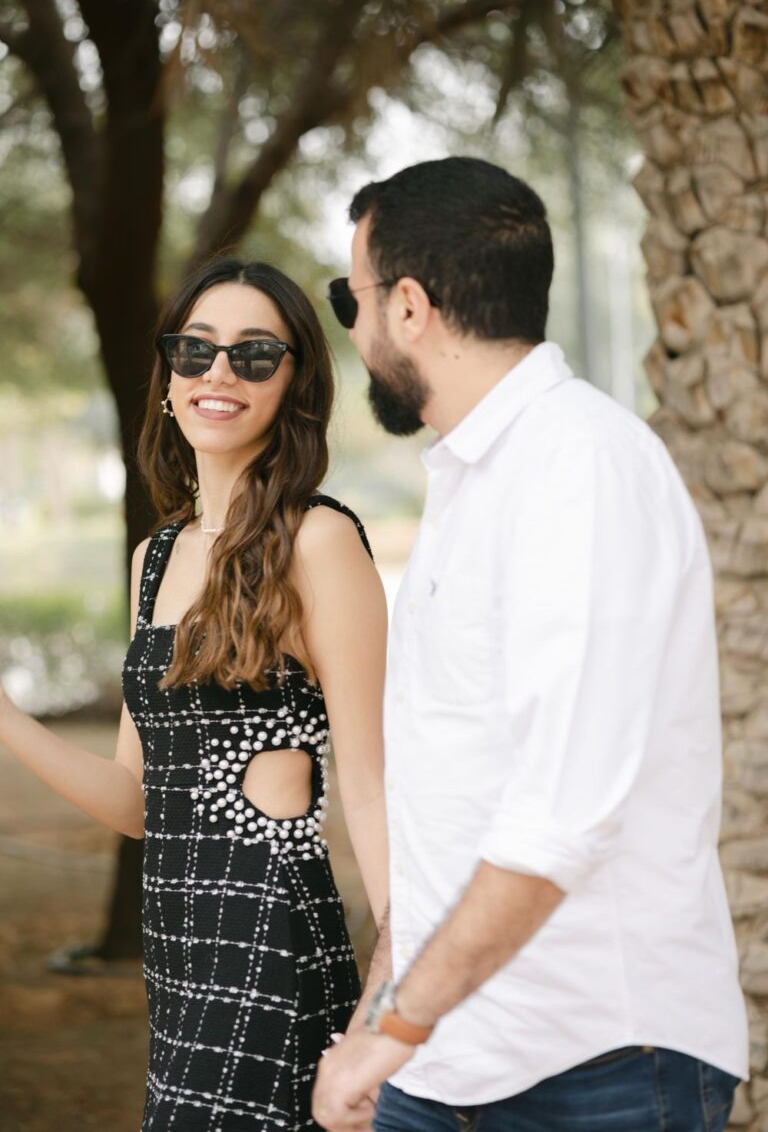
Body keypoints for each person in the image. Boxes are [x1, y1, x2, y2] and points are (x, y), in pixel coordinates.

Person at [312, 156, 749, 1132]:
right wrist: (385, 1017)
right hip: (446, 1062)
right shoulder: (475, 480)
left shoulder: (579, 469)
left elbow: (560, 815)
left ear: (411, 306)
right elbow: (454, 805)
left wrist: (395, 1030)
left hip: (596, 1070)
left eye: (354, 295)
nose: (352, 324)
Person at [0, 258, 389, 1131]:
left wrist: (393, 999)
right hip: (177, 956)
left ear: (295, 383)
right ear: (168, 376)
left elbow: (371, 782)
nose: (218, 373)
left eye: (255, 355)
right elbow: (140, 804)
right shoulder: (153, 562)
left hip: (269, 937)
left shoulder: (319, 542)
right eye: (196, 350)